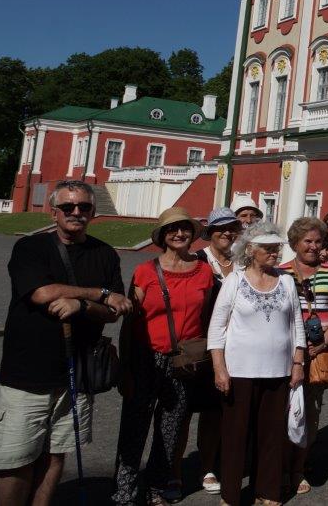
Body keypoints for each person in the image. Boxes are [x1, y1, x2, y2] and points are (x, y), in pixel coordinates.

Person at [0, 180, 129, 506]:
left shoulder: (105, 254)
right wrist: (99, 293)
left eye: (84, 207)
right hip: (27, 374)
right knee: (15, 460)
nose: (76, 212)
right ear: (54, 212)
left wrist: (83, 305)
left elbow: (114, 311)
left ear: (93, 212)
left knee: (56, 454)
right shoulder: (31, 248)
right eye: (67, 207)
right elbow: (42, 293)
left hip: (77, 375)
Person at [114, 206, 215, 506]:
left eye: (184, 228)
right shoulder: (146, 272)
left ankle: (156, 488)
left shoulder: (204, 272)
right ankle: (124, 492)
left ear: (192, 234)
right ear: (162, 236)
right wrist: (125, 367)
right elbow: (129, 323)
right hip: (147, 358)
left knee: (170, 429)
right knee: (134, 428)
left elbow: (206, 316)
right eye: (172, 229)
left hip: (183, 360)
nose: (179, 234)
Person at [207, 222, 305, 506]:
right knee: (235, 435)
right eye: (269, 248)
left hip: (278, 371)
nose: (275, 253)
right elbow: (217, 328)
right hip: (239, 371)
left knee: (272, 435)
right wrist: (219, 368)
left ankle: (268, 491)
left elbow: (297, 324)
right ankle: (231, 495)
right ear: (251, 250)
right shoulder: (234, 281)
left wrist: (298, 362)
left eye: (277, 248)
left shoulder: (286, 281)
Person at [281, 217, 328, 497]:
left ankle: (299, 468)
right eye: (307, 241)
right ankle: (282, 466)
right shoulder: (281, 272)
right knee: (284, 412)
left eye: (318, 241)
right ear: (295, 243)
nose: (313, 246)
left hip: (320, 353)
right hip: (286, 354)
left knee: (310, 413)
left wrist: (324, 343)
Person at [191, 206, 239, 494]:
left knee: (231, 408)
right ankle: (205, 466)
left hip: (238, 345)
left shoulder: (242, 262)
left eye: (232, 227)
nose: (227, 233)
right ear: (210, 232)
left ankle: (229, 460)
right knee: (207, 410)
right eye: (221, 228)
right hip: (206, 345)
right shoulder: (198, 261)